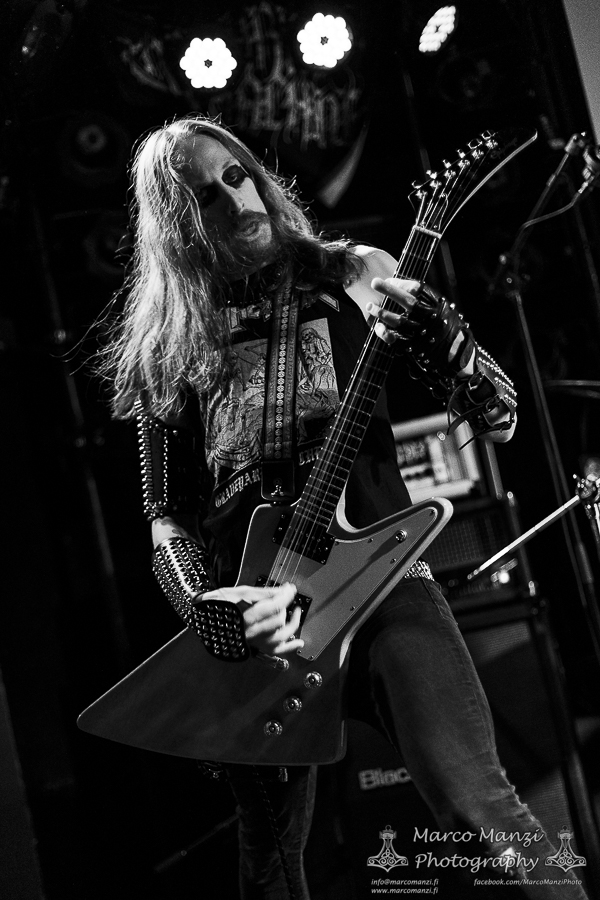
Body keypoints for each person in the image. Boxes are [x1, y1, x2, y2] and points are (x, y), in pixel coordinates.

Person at [101, 115, 588, 899]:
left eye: (237, 177)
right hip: (262, 622)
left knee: (480, 807)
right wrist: (209, 609)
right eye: (205, 197)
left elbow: (501, 420)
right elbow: (166, 517)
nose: (237, 202)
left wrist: (446, 339)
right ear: (177, 227)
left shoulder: (352, 271)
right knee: (270, 859)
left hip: (384, 587)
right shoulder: (166, 345)